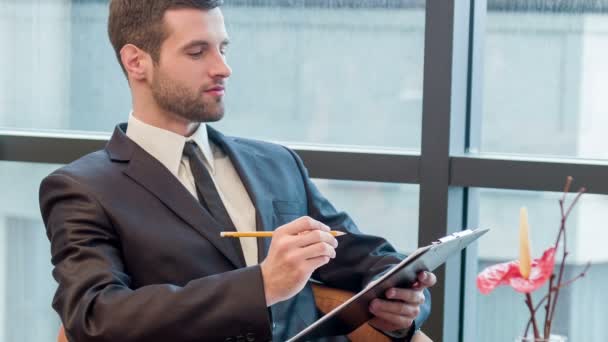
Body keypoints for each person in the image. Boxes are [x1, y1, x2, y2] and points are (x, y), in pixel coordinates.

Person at [39, 1, 436, 341]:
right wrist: (263, 285)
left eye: (223, 48)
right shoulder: (82, 188)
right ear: (136, 61)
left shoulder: (277, 164)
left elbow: (367, 258)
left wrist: (401, 301)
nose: (223, 68)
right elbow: (96, 316)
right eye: (198, 52)